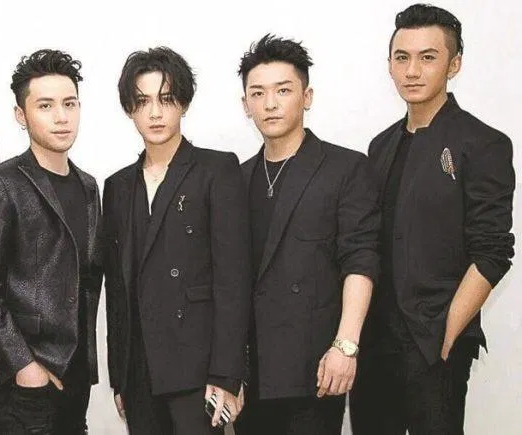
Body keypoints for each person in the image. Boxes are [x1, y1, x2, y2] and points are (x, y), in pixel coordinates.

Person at [350, 4, 515, 434]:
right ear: (389, 64)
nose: (412, 71)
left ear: (453, 64)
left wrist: (447, 334)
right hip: (374, 345)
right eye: (402, 57)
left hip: (434, 345)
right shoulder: (379, 146)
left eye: (428, 57)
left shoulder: (483, 143)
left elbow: (493, 251)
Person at [234, 34, 380, 435]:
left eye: (283, 90)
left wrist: (346, 346)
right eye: (258, 93)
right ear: (245, 104)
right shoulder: (236, 179)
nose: (270, 103)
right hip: (251, 373)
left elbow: (361, 260)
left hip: (316, 367)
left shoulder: (345, 169)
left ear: (307, 96)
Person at [102, 46, 252, 434]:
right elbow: (117, 290)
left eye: (166, 99)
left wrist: (227, 374)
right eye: (142, 101)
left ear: (183, 103)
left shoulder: (216, 170)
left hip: (198, 370)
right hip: (140, 373)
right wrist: (120, 377)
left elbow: (233, 280)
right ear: (129, 109)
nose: (155, 112)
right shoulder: (117, 186)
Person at [0, 48, 102, 434]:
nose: (61, 117)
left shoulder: (89, 187)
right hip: (23, 387)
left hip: (75, 380)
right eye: (45, 105)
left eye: (69, 104)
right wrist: (23, 365)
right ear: (21, 115)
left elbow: (86, 282)